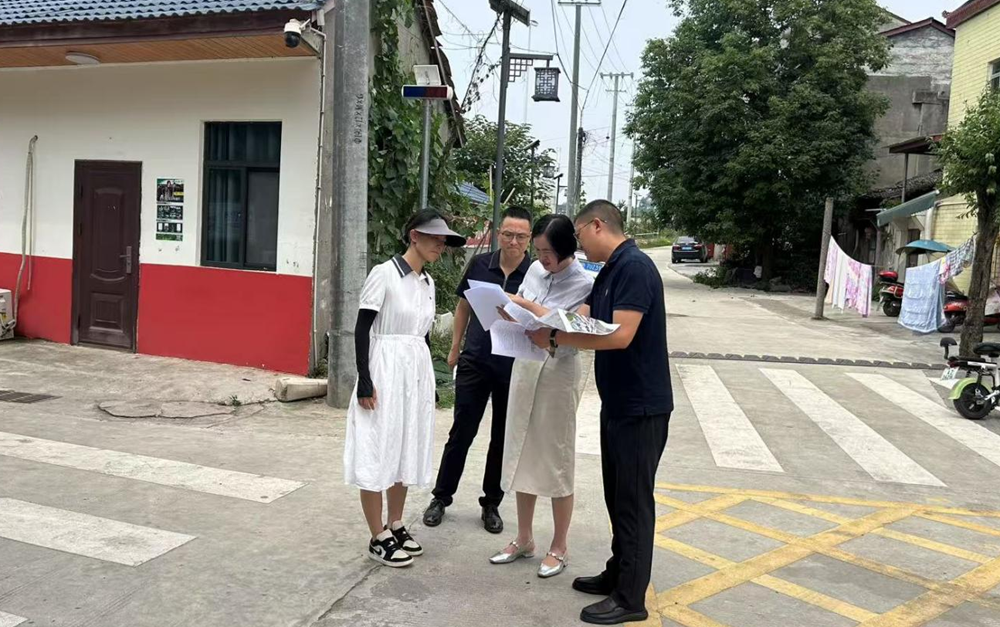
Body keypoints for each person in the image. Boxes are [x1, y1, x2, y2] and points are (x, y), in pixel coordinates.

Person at [528, 200, 672, 624]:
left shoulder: (635, 268)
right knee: (616, 496)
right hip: (619, 402)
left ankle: (630, 598)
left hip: (640, 405)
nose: (577, 245)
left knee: (633, 503)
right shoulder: (610, 270)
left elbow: (621, 336)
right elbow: (586, 316)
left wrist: (556, 337)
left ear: (596, 225)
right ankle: (618, 573)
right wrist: (541, 320)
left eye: (578, 235)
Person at [344, 210, 466, 568]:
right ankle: (377, 535)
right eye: (434, 238)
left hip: (414, 372)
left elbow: (423, 336)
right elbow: (362, 328)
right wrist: (365, 379)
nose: (440, 246)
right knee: (376, 446)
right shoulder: (384, 274)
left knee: (404, 445)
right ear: (414, 235)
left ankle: (395, 523)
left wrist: (429, 381)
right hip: (384, 368)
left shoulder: (427, 283)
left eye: (443, 241)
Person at [489, 214, 594, 579]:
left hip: (558, 372)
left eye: (547, 252)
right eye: (538, 250)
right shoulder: (535, 270)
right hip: (525, 363)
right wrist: (509, 311)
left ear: (565, 249)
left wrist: (529, 307)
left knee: (556, 456)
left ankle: (559, 545)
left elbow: (571, 328)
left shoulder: (584, 283)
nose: (541, 258)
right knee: (522, 449)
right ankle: (524, 538)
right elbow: (526, 315)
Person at [423, 207, 533, 534]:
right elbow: (463, 307)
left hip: (513, 365)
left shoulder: (535, 274)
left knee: (501, 436)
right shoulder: (480, 264)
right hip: (475, 359)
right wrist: (455, 346)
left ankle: (491, 503)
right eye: (508, 234)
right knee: (462, 431)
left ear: (529, 239)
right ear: (499, 234)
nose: (513, 242)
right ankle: (441, 497)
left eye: (521, 236)